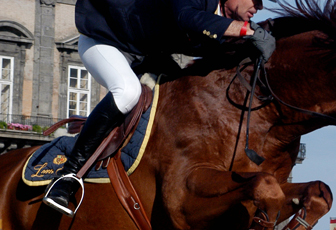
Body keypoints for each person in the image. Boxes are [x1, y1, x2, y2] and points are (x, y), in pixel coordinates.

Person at [43, 0, 276, 217]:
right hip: (105, 41)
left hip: (144, 56)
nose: (258, 7)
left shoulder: (220, 25)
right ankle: (67, 176)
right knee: (127, 92)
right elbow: (187, 18)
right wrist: (248, 31)